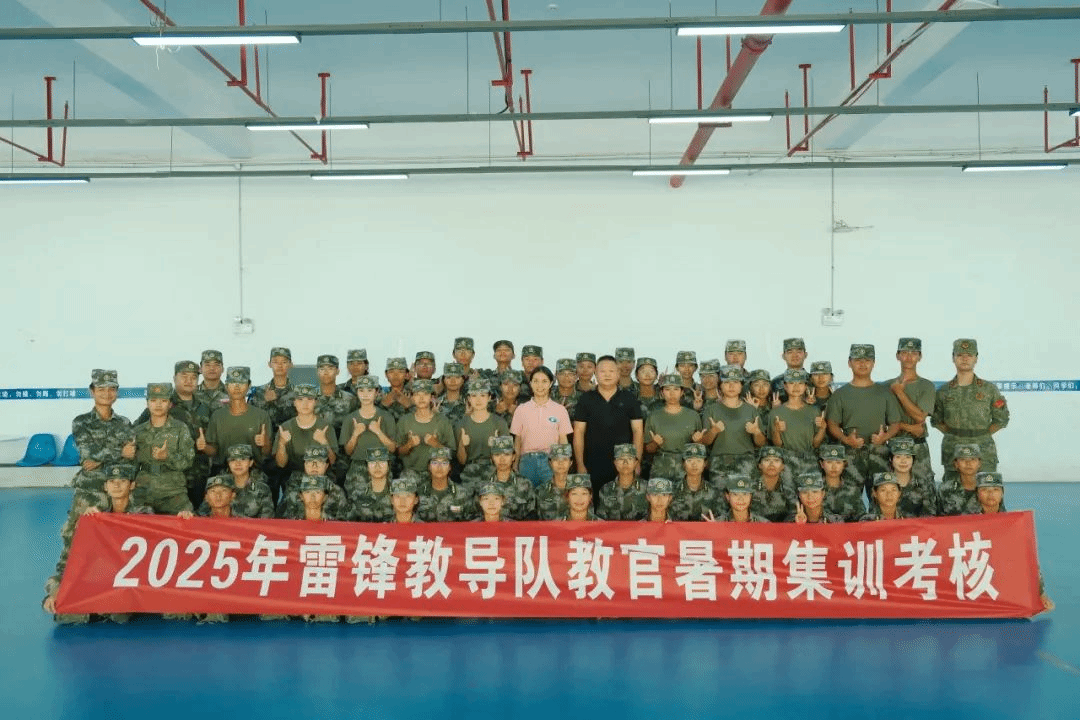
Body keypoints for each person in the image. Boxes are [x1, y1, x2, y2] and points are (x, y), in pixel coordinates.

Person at [43, 463, 151, 624]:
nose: (116, 485)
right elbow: (70, 562)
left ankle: (95, 611)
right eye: (112, 481)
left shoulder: (144, 513)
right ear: (105, 487)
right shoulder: (94, 517)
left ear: (132, 485)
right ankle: (96, 609)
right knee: (58, 602)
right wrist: (55, 593)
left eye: (122, 481)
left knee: (121, 613)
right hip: (102, 577)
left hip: (132, 581)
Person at [825, 344, 901, 498]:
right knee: (849, 499)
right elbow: (832, 424)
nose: (862, 364)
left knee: (882, 499)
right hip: (851, 454)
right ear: (849, 363)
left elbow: (895, 424)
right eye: (858, 360)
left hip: (878, 453)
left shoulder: (885, 393)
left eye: (867, 360)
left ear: (873, 363)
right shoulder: (840, 394)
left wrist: (885, 437)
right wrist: (846, 439)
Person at [135, 360, 213, 508]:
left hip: (199, 475)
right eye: (184, 376)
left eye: (193, 377)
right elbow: (137, 437)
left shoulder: (205, 406)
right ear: (174, 378)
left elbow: (213, 440)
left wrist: (205, 446)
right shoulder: (160, 404)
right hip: (169, 481)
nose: (189, 381)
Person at [974, 472, 1054, 613]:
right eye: (985, 490)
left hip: (1001, 580)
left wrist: (1040, 593)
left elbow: (1029, 559)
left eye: (995, 490)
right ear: (977, 494)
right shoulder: (965, 522)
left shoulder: (1013, 523)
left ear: (1002, 493)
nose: (990, 494)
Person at [931, 338, 1009, 472]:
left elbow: (1001, 419)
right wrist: (956, 434)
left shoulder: (989, 389)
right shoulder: (943, 391)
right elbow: (937, 420)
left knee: (985, 483)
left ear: (976, 358)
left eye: (969, 355)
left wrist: (980, 435)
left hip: (983, 449)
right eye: (960, 355)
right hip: (953, 449)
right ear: (953, 358)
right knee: (953, 484)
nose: (964, 359)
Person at [573, 355, 644, 495]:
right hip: (592, 463)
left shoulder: (629, 399)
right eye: (602, 371)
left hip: (623, 464)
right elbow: (579, 432)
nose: (607, 375)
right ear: (595, 373)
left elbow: (638, 432)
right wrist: (580, 464)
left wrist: (637, 462)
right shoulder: (586, 399)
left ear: (618, 373)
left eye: (611, 371)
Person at [69, 369, 135, 512]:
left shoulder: (124, 422)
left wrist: (100, 459)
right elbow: (88, 456)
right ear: (92, 391)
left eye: (111, 389)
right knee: (79, 526)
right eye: (101, 389)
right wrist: (120, 452)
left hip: (119, 489)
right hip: (91, 488)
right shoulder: (81, 422)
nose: (107, 393)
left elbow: (130, 455)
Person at [132, 383, 195, 514]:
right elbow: (132, 465)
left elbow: (188, 461)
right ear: (147, 403)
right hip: (144, 491)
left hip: (173, 492)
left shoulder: (180, 428)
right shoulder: (138, 431)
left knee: (186, 519)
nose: (158, 405)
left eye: (163, 401)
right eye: (153, 400)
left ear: (170, 404)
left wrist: (168, 457)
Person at [700, 364, 765, 486]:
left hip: (746, 463)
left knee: (744, 496)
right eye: (726, 382)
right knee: (720, 496)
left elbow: (761, 443)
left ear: (741, 386)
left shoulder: (751, 410)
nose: (731, 386)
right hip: (719, 463)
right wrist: (713, 431)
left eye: (735, 382)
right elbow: (705, 442)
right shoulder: (711, 410)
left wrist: (756, 432)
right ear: (720, 386)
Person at [202, 366, 272, 477]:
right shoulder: (217, 416)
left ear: (249, 385)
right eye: (233, 383)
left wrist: (265, 443)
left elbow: (267, 452)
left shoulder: (261, 416)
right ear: (226, 386)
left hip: (253, 473)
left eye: (241, 383)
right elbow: (214, 451)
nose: (237, 387)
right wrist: (203, 447)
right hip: (223, 473)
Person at [511, 366, 572, 487]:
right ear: (530, 383)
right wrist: (515, 464)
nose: (540, 385)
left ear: (551, 383)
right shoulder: (521, 409)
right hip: (527, 462)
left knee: (550, 495)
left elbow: (563, 440)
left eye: (544, 381)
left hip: (551, 462)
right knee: (526, 495)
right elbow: (517, 440)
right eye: (536, 381)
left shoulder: (560, 410)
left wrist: (563, 465)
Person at [888, 338, 937, 481]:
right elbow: (881, 420)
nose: (909, 357)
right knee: (892, 489)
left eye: (914, 353)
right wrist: (908, 427)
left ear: (920, 357)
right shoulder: (886, 386)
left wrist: (899, 392)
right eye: (904, 353)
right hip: (893, 447)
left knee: (924, 488)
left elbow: (919, 417)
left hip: (917, 447)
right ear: (897, 356)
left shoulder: (926, 386)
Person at [644, 373, 705, 481]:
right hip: (661, 465)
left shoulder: (693, 416)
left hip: (687, 464)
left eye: (676, 389)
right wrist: (655, 443)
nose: (672, 393)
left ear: (682, 392)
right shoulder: (653, 416)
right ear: (662, 393)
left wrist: (699, 440)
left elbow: (700, 446)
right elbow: (648, 449)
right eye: (667, 389)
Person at [769, 368, 827, 476]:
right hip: (785, 462)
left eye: (800, 383)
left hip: (809, 461)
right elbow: (777, 444)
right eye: (791, 383)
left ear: (805, 386)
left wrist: (822, 429)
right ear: (785, 386)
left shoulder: (814, 411)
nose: (796, 387)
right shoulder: (775, 413)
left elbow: (815, 444)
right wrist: (776, 431)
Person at [395, 378, 456, 480]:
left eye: (425, 394)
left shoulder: (443, 421)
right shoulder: (404, 421)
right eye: (417, 394)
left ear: (432, 397)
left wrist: (436, 444)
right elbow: (398, 452)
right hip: (410, 473)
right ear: (412, 397)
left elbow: (452, 454)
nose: (421, 398)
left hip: (437, 473)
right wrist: (409, 444)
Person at [341, 375, 398, 484]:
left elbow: (392, 448)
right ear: (357, 393)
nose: (365, 395)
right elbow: (348, 451)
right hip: (357, 469)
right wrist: (355, 435)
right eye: (361, 390)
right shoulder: (350, 418)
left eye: (370, 390)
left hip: (381, 466)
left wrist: (378, 432)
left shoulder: (386, 417)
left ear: (376, 393)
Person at [456, 380, 509, 491]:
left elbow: (506, 457)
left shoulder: (499, 423)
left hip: (493, 471)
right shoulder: (461, 424)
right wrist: (462, 445)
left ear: (489, 397)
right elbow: (461, 461)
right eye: (474, 396)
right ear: (469, 399)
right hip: (470, 472)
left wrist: (495, 447)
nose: (478, 400)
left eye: (483, 395)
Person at [274, 384, 339, 474]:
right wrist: (282, 444)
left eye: (310, 399)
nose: (305, 404)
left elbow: (333, 462)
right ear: (294, 402)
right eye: (300, 399)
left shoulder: (325, 427)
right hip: (294, 476)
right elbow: (281, 464)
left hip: (320, 476)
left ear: (316, 402)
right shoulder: (285, 428)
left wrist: (325, 443)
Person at [197, 443, 274, 518]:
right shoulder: (218, 484)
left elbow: (267, 520)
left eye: (243, 459)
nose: (238, 464)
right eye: (233, 460)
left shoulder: (261, 489)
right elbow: (201, 514)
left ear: (251, 462)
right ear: (228, 463)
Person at [276, 445, 350, 521]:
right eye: (310, 461)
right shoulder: (293, 488)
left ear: (326, 465)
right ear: (305, 464)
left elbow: (346, 521)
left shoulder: (336, 491)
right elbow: (281, 519)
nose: (314, 466)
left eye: (319, 461)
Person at [478, 435, 536, 520]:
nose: (502, 459)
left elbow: (531, 516)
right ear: (492, 458)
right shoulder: (483, 483)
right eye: (497, 455)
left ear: (513, 457)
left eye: (507, 454)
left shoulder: (525, 484)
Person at [938, 444, 998, 516]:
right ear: (956, 464)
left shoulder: (991, 489)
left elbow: (1001, 517)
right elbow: (936, 518)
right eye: (963, 459)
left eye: (973, 459)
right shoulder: (945, 489)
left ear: (979, 463)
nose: (968, 463)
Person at [670, 443, 724, 521]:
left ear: (705, 464)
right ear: (683, 464)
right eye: (689, 460)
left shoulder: (714, 492)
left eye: (699, 460)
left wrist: (716, 523)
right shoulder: (673, 491)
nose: (694, 465)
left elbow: (723, 517)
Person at [886, 437, 938, 517]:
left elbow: (930, 516)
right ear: (891, 459)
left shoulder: (924, 485)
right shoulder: (883, 485)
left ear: (913, 460)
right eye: (898, 457)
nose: (903, 461)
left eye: (908, 457)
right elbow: (876, 515)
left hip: (919, 524)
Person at [417, 447, 471, 522]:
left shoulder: (462, 493)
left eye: (444, 463)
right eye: (435, 462)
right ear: (429, 467)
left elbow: (473, 521)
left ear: (450, 467)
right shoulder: (419, 493)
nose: (439, 467)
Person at [597, 443, 649, 520]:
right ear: (615, 463)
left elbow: (652, 517)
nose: (625, 463)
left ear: (636, 463)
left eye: (629, 459)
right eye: (621, 459)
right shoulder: (606, 489)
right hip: (613, 528)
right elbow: (601, 520)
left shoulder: (647, 488)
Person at [249, 347, 296, 429]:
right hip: (265, 435)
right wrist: (265, 402)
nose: (280, 365)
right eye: (275, 362)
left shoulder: (298, 393)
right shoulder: (259, 391)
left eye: (284, 362)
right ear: (269, 364)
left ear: (291, 364)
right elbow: (252, 417)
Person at [818, 445, 867, 522]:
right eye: (829, 462)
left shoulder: (852, 489)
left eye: (838, 462)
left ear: (844, 465)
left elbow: (861, 517)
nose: (834, 467)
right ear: (822, 464)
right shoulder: (815, 490)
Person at [314, 354, 358, 436]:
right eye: (322, 369)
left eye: (330, 368)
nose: (326, 372)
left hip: (341, 442)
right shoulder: (309, 399)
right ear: (317, 372)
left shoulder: (350, 399)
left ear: (337, 371)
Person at [346, 447, 394, 522]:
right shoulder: (357, 493)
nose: (377, 466)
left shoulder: (397, 494)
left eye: (382, 462)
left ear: (388, 466)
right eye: (372, 462)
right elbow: (350, 522)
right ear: (367, 467)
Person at [749, 446, 796, 523]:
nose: (771, 464)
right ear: (759, 465)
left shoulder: (788, 490)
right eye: (767, 460)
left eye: (776, 460)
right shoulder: (750, 488)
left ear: (782, 466)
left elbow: (794, 514)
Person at [536, 443, 573, 520]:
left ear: (571, 462)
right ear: (550, 463)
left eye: (565, 459)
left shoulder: (579, 490)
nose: (560, 463)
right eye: (556, 459)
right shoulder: (540, 490)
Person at [771, 337, 808, 403]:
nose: (795, 355)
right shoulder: (776, 383)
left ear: (805, 355)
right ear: (783, 356)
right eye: (790, 352)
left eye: (799, 352)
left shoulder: (813, 381)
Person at [436, 362, 468, 426]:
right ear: (443, 380)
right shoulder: (436, 404)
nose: (453, 381)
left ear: (463, 380)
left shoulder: (469, 404)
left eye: (457, 377)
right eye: (448, 377)